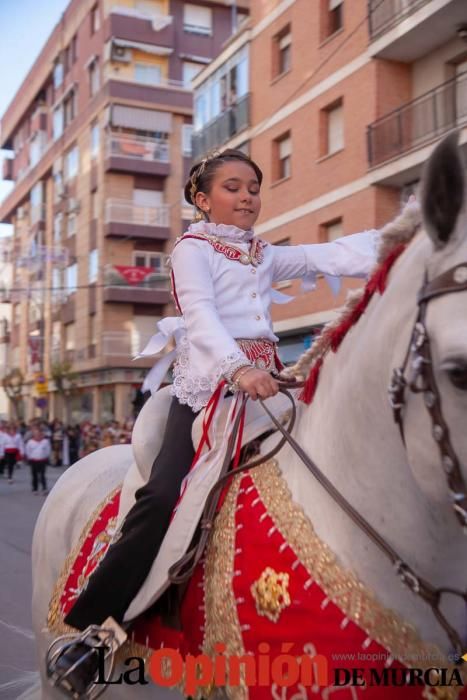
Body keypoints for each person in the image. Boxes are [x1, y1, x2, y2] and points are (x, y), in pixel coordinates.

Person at [48, 148, 382, 695]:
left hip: (266, 388)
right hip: (206, 391)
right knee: (162, 496)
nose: (247, 195)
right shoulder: (191, 249)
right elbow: (200, 316)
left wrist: (407, 237)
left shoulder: (263, 253)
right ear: (203, 200)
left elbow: (330, 256)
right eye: (232, 187)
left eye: (253, 186)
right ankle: (96, 629)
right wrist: (237, 367)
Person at [25, 425, 51, 494]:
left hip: (42, 460)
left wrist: (45, 456)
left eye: (39, 434)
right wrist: (30, 457)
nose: (38, 435)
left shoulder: (45, 441)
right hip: (34, 461)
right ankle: (35, 488)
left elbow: (48, 450)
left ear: (41, 434)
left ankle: (44, 488)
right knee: (34, 475)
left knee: (42, 475)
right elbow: (28, 450)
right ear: (34, 434)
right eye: (36, 434)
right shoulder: (30, 442)